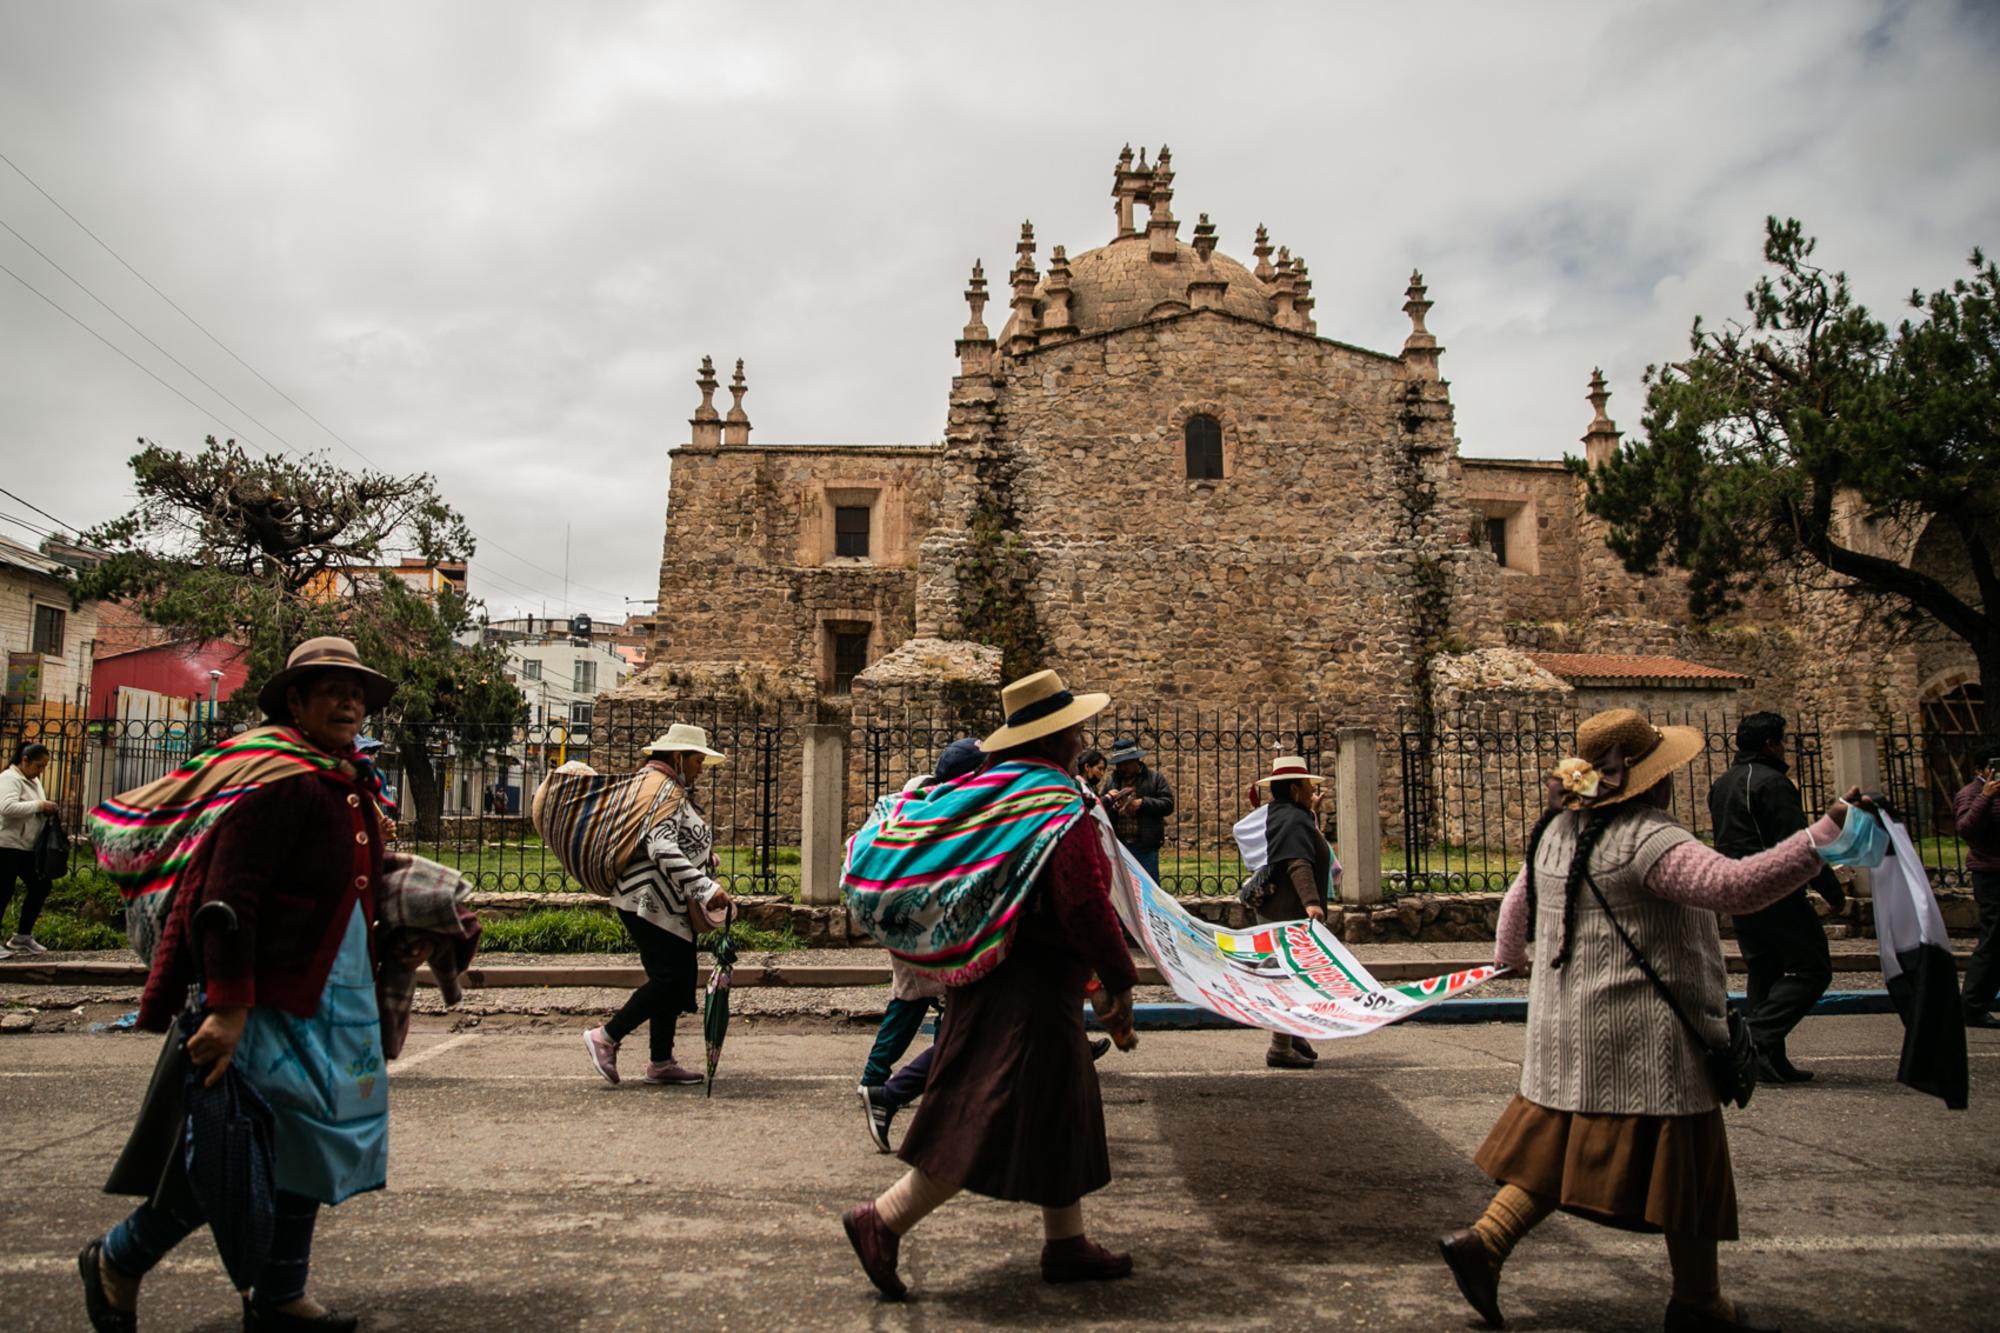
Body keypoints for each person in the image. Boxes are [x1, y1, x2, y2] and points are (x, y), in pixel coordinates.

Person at [1438, 708, 1877, 1333]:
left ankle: (1485, 1243)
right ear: (1655, 778)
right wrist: (1821, 837)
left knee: (1558, 1150)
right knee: (1686, 1166)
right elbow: (1735, 887)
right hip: (1647, 1037)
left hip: (1568, 1032)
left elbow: (1516, 904)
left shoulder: (1560, 831)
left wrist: (1509, 960)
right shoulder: (1650, 838)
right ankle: (1698, 1302)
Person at [79, 636, 406, 1333]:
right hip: (264, 1001)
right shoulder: (276, 780)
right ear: (296, 699)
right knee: (231, 1154)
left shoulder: (340, 779)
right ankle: (118, 1257)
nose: (349, 702)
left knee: (308, 1146)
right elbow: (229, 899)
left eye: (358, 692)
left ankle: (279, 1293)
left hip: (330, 997)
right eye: (331, 689)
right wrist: (228, 1007)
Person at [842, 669, 1138, 1299]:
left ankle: (1066, 1242)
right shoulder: (1058, 804)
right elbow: (1084, 902)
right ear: (1057, 737)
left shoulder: (993, 792)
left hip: (991, 969)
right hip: (1028, 990)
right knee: (981, 1113)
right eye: (1073, 729)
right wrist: (1119, 981)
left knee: (1062, 1106)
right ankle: (883, 1219)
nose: (1080, 736)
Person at [583, 724, 733, 1087]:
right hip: (649, 901)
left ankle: (661, 1061)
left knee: (674, 980)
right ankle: (606, 1037)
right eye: (698, 760)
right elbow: (660, 847)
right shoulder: (660, 790)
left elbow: (669, 840)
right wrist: (703, 886)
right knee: (670, 980)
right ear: (679, 757)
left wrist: (702, 857)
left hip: (663, 902)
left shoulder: (662, 787)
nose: (701, 768)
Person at [857, 737, 984, 1151]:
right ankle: (878, 1083)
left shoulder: (907, 802)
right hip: (923, 925)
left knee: (924, 1001)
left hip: (908, 922)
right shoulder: (941, 811)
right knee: (916, 1002)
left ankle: (912, 1083)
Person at [1707, 712, 1844, 1083]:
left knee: (1764, 970)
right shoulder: (1772, 783)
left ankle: (1767, 1059)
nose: (1785, 746)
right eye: (1782, 739)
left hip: (1737, 889)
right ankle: (1754, 1041)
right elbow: (1799, 844)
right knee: (1813, 969)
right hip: (1775, 889)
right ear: (1770, 742)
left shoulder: (1722, 784)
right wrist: (1831, 891)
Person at [1247, 756, 1340, 1070]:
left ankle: (1293, 1034)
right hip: (1287, 911)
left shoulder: (1285, 813)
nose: (1311, 788)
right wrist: (1312, 904)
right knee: (1289, 978)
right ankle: (1280, 1047)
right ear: (1293, 787)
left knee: (1292, 976)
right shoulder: (1294, 819)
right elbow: (1298, 862)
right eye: (1306, 784)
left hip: (1277, 908)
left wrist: (1309, 811)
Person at [0, 741, 59, 958]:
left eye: (44, 766)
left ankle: (22, 936)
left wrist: (46, 809)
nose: (41, 771)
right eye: (38, 766)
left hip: (25, 846)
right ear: (24, 760)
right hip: (5, 844)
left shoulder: (32, 781)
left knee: (41, 885)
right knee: (3, 891)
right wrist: (39, 806)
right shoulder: (9, 779)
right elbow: (6, 808)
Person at [1956, 745, 2000, 1029]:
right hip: (1990, 874)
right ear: (1980, 771)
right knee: (1993, 940)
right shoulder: (1970, 794)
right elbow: (1966, 829)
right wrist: (1985, 797)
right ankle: (1971, 1005)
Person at [1102, 737, 1173, 885]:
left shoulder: (1154, 778)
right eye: (1119, 764)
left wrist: (1143, 803)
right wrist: (1113, 807)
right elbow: (1102, 811)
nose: (1122, 768)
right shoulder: (1112, 781)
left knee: (1150, 889)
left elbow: (1168, 804)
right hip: (1119, 846)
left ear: (1136, 761)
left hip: (1145, 846)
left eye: (1126, 763)